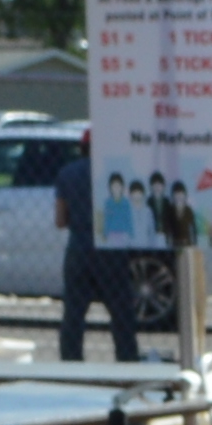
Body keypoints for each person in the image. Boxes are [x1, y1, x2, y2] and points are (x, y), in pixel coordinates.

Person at [55, 135, 145, 367]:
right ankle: (127, 363)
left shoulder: (67, 173)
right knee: (121, 313)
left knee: (74, 313)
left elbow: (60, 220)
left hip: (79, 247)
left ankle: (71, 363)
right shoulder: (118, 173)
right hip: (111, 249)